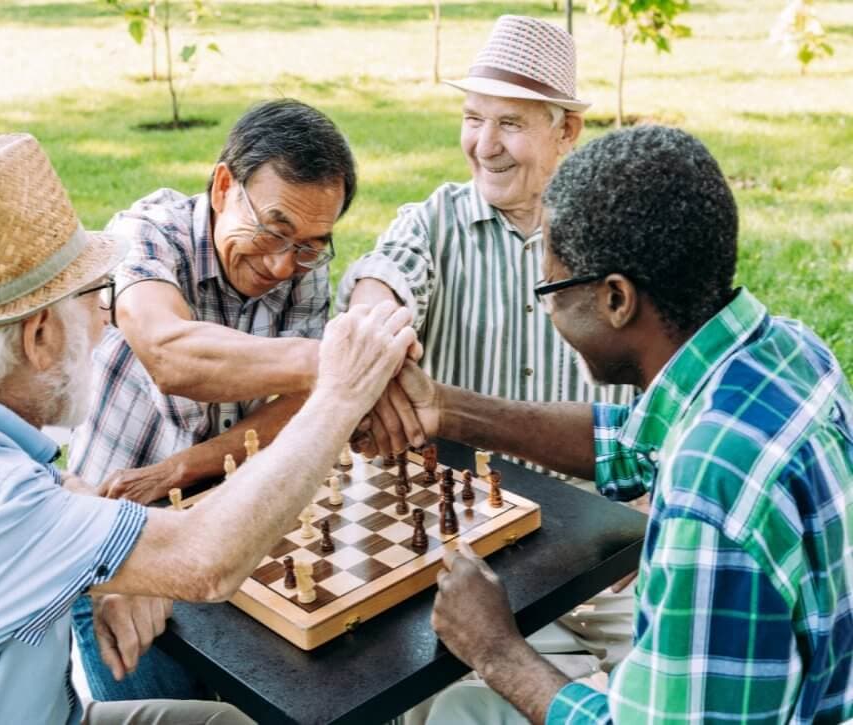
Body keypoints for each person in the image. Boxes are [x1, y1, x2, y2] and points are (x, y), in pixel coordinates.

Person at [0, 133, 418, 724]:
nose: (105, 318)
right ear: (39, 336)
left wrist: (99, 555)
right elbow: (205, 560)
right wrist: (341, 389)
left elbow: (42, 490)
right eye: (97, 296)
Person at [363, 125, 853, 724]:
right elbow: (634, 441)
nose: (548, 311)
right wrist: (443, 408)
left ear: (617, 299)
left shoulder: (709, 488)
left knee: (453, 714)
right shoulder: (786, 351)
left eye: (551, 288)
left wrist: (496, 650)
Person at [339, 14, 637, 694]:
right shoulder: (433, 220)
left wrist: (650, 496)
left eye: (511, 123)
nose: (484, 145)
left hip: (610, 555)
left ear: (566, 131)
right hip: (478, 550)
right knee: (457, 701)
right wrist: (374, 321)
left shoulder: (615, 234)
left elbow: (676, 382)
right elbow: (385, 274)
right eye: (474, 118)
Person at [65, 98, 358, 700]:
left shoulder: (304, 264)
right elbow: (171, 354)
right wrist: (338, 365)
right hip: (117, 540)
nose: (283, 263)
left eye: (309, 245)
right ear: (225, 185)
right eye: (274, 230)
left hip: (234, 516)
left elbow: (298, 404)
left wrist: (182, 468)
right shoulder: (146, 233)